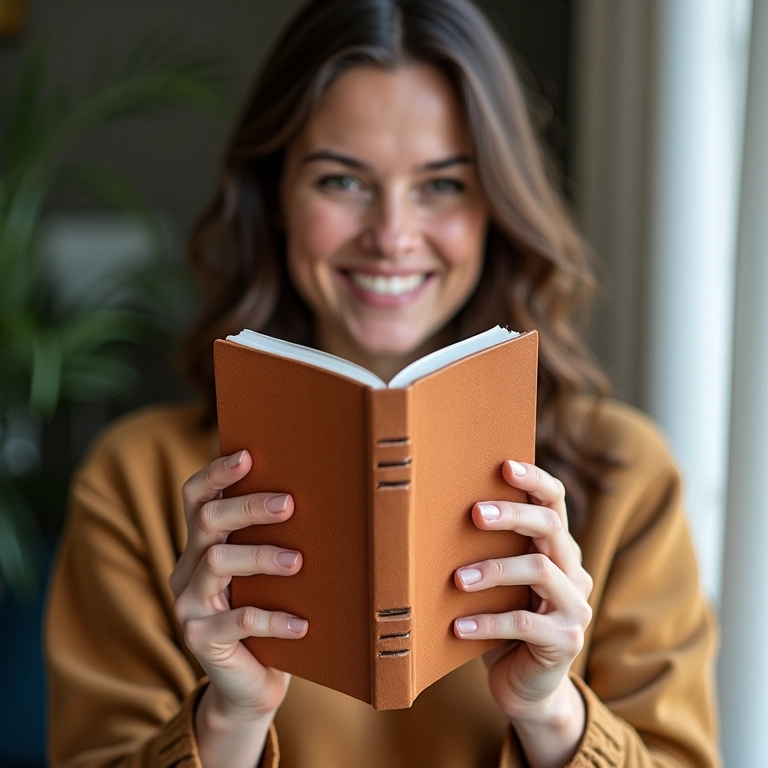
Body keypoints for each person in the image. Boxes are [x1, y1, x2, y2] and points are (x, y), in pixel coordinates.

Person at [44, 0, 720, 766]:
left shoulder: (626, 475)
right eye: (342, 181)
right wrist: (228, 721)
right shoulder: (136, 482)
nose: (392, 236)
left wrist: (553, 714)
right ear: (274, 201)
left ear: (496, 206)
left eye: (441, 186)